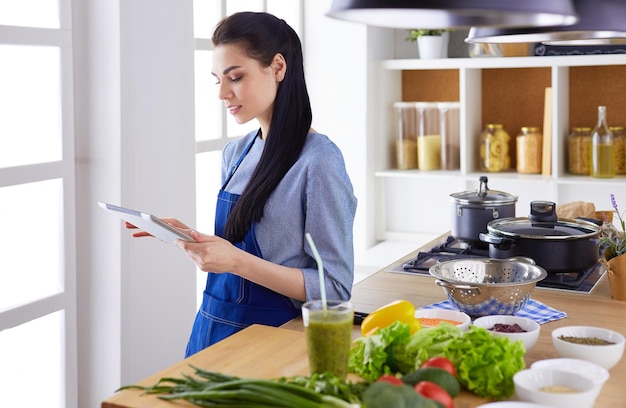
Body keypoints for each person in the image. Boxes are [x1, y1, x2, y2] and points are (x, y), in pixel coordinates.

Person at [128, 11, 357, 356]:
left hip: (273, 342)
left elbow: (334, 288)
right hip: (211, 328)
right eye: (217, 79)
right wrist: (193, 239)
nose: (222, 93)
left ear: (278, 68)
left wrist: (235, 260)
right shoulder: (236, 153)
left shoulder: (319, 161)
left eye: (235, 77)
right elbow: (237, 249)